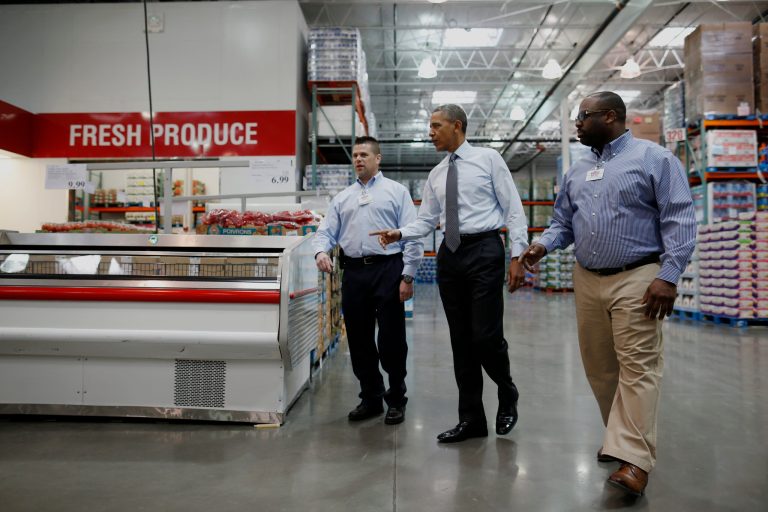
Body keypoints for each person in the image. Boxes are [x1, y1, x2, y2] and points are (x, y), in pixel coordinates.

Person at [519, 91, 696, 497]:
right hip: (587, 278)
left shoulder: (655, 160)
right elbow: (563, 221)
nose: (577, 125)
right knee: (600, 366)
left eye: (583, 117)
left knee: (638, 366)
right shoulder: (578, 170)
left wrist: (668, 276)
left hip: (638, 275)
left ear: (611, 116)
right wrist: (542, 244)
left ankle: (634, 460)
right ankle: (619, 438)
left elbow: (679, 218)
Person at [372, 104, 529, 443]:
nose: (430, 132)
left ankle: (507, 390)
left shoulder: (489, 160)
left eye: (436, 125)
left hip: (486, 250)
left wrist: (517, 254)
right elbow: (427, 220)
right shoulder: (437, 173)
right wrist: (399, 233)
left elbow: (513, 210)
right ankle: (471, 419)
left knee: (485, 336)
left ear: (457, 126)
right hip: (451, 255)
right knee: (461, 342)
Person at [313, 136, 423, 426]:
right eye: (355, 155)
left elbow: (412, 235)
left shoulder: (396, 193)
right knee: (360, 339)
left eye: (364, 154)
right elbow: (325, 233)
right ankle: (371, 397)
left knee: (391, 339)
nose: (358, 159)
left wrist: (408, 275)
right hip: (355, 273)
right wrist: (320, 252)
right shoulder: (343, 198)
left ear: (378, 158)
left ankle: (396, 398)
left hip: (388, 269)